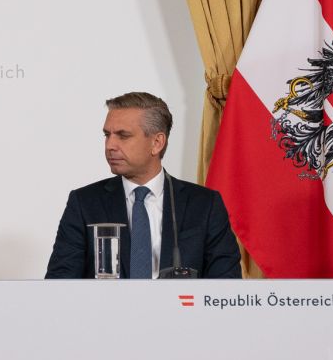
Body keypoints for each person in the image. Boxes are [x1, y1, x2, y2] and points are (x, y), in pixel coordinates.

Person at [46, 91, 241, 279]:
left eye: (123, 135)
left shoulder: (205, 205)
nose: (110, 145)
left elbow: (226, 286)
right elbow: (59, 286)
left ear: (157, 143)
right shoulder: (84, 203)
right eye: (107, 135)